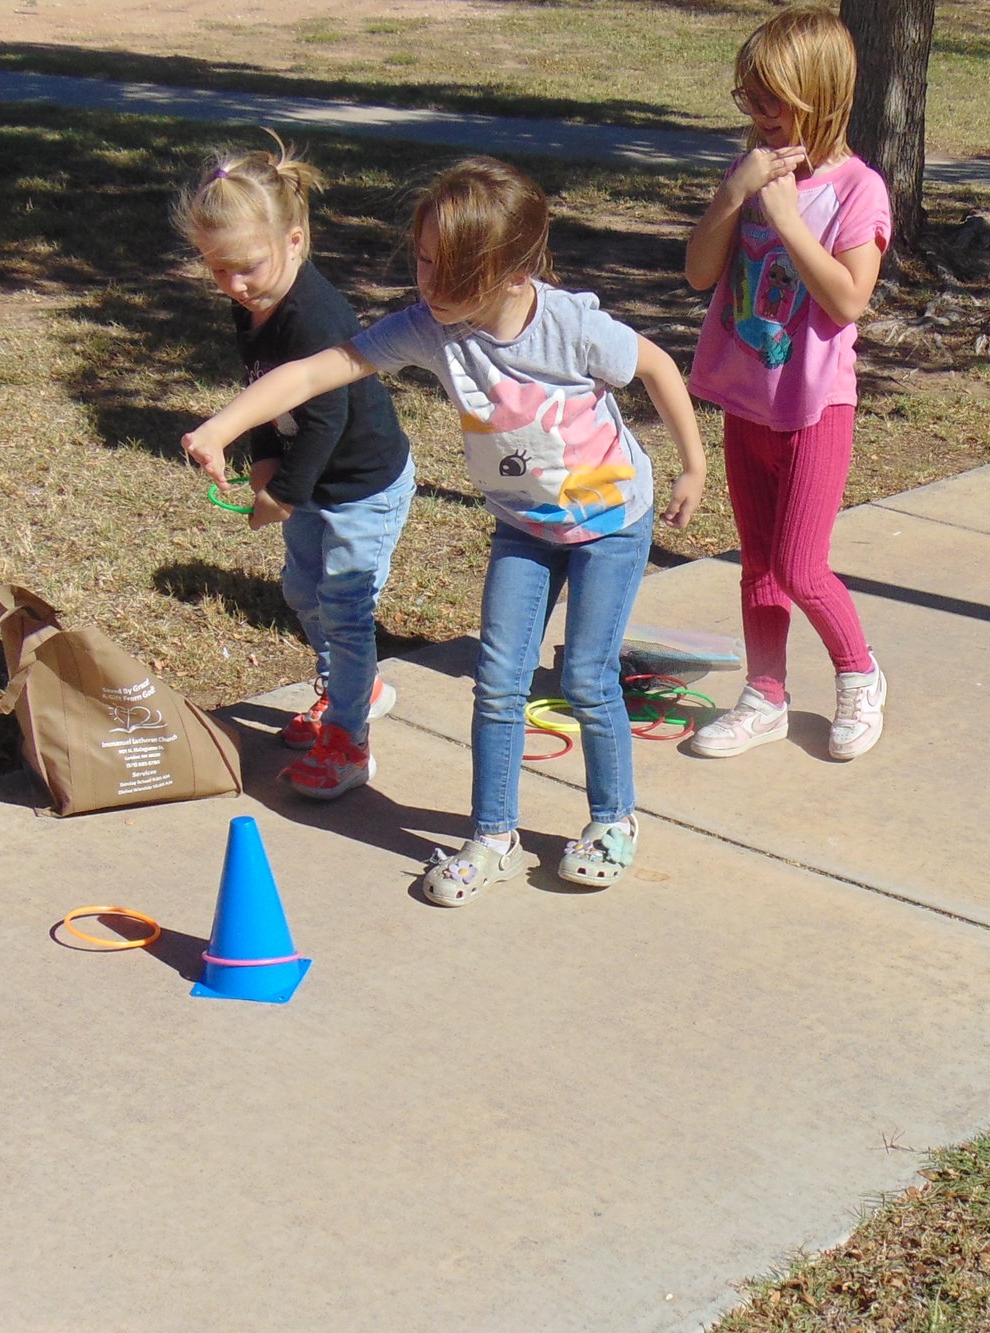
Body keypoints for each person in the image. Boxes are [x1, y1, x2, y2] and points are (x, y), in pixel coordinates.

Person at [184, 157, 708, 904]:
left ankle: (612, 819)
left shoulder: (568, 327)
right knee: (497, 683)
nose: (427, 283)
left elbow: (656, 366)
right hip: (525, 528)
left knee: (589, 678)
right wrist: (223, 424)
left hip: (610, 526)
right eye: (423, 260)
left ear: (511, 270)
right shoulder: (432, 329)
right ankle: (492, 835)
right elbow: (311, 373)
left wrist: (692, 465)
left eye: (449, 268)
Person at [682, 4, 892, 763]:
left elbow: (847, 298)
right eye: (751, 99)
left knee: (802, 565)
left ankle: (860, 674)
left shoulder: (857, 190)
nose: (762, 116)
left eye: (774, 100)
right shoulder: (750, 174)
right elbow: (700, 271)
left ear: (821, 95)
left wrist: (788, 218)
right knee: (760, 562)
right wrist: (732, 196)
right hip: (751, 403)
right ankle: (765, 693)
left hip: (814, 408)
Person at [175, 141, 415, 800]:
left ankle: (348, 738)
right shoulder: (252, 306)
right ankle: (352, 685)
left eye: (246, 268)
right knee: (301, 592)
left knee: (344, 605)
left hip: (361, 486)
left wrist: (282, 491)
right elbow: (260, 392)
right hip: (310, 483)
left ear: (296, 240)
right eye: (218, 271)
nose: (235, 286)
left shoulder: (316, 317)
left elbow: (322, 420)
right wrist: (263, 464)